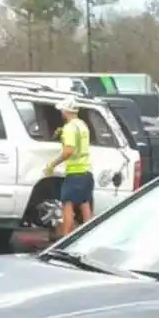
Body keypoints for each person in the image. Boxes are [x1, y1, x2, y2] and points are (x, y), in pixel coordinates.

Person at [45, 99, 95, 237]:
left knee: (67, 205)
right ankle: (89, 236)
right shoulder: (82, 125)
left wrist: (52, 164)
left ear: (65, 111)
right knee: (85, 205)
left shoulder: (69, 128)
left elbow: (68, 151)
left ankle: (65, 238)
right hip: (86, 172)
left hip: (75, 173)